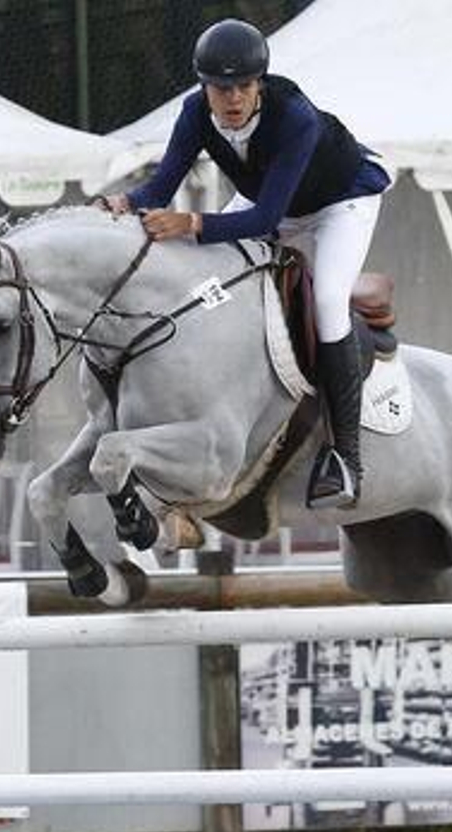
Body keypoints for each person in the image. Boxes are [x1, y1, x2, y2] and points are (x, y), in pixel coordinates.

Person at [99, 18, 390, 511]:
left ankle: (346, 460)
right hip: (270, 202)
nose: (232, 99)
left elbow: (267, 218)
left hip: (340, 203)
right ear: (203, 87)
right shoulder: (195, 113)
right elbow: (159, 189)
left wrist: (192, 222)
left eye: (244, 87)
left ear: (260, 84)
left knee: (327, 302)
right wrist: (124, 203)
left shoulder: (294, 117)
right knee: (200, 276)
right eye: (220, 88)